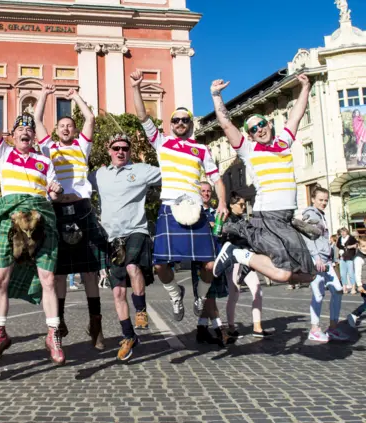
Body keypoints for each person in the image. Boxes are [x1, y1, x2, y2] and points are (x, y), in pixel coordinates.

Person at [131, 70, 228, 323]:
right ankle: (176, 294)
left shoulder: (201, 148)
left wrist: (223, 203)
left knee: (209, 265)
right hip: (169, 209)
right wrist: (136, 87)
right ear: (171, 124)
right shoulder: (161, 142)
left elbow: (217, 179)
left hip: (197, 209)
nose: (181, 123)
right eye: (177, 120)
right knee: (161, 265)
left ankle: (200, 297)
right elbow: (142, 116)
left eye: (185, 120)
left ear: (191, 124)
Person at [209, 75, 316, 284]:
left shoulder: (283, 141)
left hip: (286, 217)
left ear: (269, 124)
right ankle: (238, 255)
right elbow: (225, 123)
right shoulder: (248, 150)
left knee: (308, 275)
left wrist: (305, 86)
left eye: (262, 124)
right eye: (254, 129)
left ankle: (247, 257)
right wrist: (216, 95)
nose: (260, 130)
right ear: (250, 135)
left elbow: (296, 115)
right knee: (283, 273)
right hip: (267, 216)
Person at [0, 111, 65, 365]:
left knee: (48, 279)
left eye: (30, 130)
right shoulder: (3, 153)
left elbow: (55, 195)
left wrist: (57, 190)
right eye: (20, 129)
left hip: (41, 219)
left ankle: (53, 334)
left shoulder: (45, 162)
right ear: (13, 134)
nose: (25, 132)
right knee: (0, 279)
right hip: (10, 217)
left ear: (33, 136)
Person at [34, 85, 107, 350]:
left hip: (83, 208)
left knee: (89, 270)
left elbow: (91, 118)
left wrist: (76, 96)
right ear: (56, 130)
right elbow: (37, 121)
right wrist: (44, 94)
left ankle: (95, 322)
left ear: (74, 131)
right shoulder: (48, 147)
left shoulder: (82, 146)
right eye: (62, 125)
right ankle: (60, 321)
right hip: (57, 210)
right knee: (60, 272)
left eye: (69, 125)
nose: (66, 128)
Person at [89, 133, 161, 360]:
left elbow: (172, 172)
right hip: (111, 238)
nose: (121, 152)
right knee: (118, 291)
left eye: (125, 148)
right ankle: (129, 336)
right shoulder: (98, 175)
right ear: (109, 151)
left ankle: (140, 310)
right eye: (116, 148)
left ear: (130, 151)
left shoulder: (141, 170)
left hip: (136, 230)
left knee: (132, 266)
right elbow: (76, 183)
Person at [302, 186, 348, 342]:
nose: (324, 203)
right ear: (313, 199)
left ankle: (333, 328)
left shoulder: (321, 215)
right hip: (317, 260)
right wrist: (316, 257)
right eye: (320, 200)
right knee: (318, 294)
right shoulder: (310, 214)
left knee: (338, 291)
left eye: (326, 200)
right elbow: (308, 237)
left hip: (326, 259)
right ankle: (314, 330)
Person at [224, 192, 269, 340]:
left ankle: (257, 327)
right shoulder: (226, 219)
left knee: (257, 290)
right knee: (234, 294)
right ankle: (231, 327)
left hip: (247, 258)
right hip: (234, 259)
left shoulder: (244, 220)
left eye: (244, 204)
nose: (243, 207)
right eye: (240, 204)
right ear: (231, 205)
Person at [190, 182, 216, 316]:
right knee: (203, 295)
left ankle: (204, 326)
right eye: (203, 191)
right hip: (199, 256)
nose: (206, 194)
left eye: (209, 191)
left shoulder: (215, 212)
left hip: (215, 255)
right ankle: (206, 327)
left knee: (212, 295)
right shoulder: (194, 211)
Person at [347, 236, 366, 327]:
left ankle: (354, 315)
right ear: (359, 246)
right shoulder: (359, 258)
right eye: (363, 246)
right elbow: (357, 273)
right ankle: (354, 314)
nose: (365, 248)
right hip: (364, 284)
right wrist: (359, 285)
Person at [336, 227, 358, 294]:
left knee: (351, 273)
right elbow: (338, 245)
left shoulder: (351, 238)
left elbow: (357, 244)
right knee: (343, 274)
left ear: (347, 232)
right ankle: (344, 288)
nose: (342, 233)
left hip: (350, 257)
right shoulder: (340, 238)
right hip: (342, 257)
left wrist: (350, 246)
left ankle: (353, 288)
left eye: (344, 231)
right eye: (341, 232)